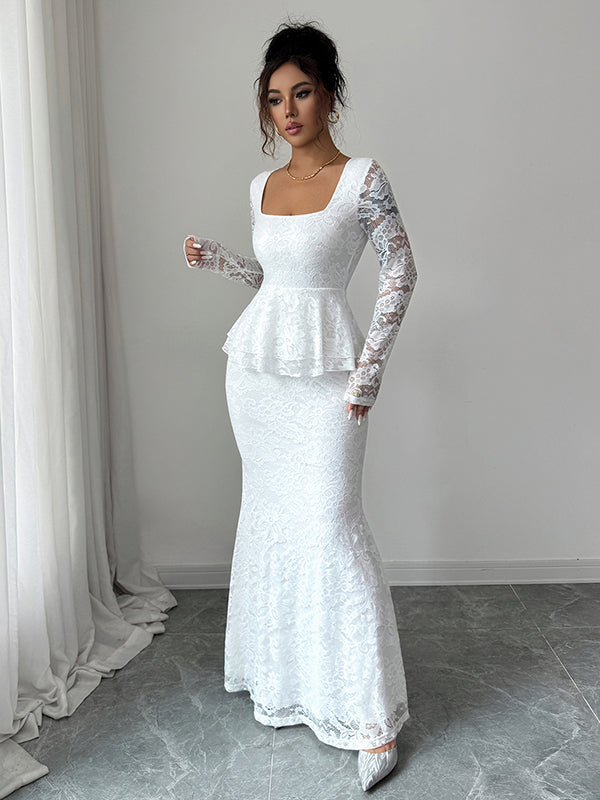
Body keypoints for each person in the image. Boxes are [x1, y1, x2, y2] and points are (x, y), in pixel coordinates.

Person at [183, 20, 417, 792]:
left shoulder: (363, 179)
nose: (288, 111)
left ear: (329, 95)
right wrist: (222, 261)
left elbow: (401, 270)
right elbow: (276, 284)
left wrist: (368, 374)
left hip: (330, 382)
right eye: (275, 98)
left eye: (303, 93)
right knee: (271, 521)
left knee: (331, 526)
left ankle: (374, 722)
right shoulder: (259, 188)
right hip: (256, 379)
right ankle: (287, 684)